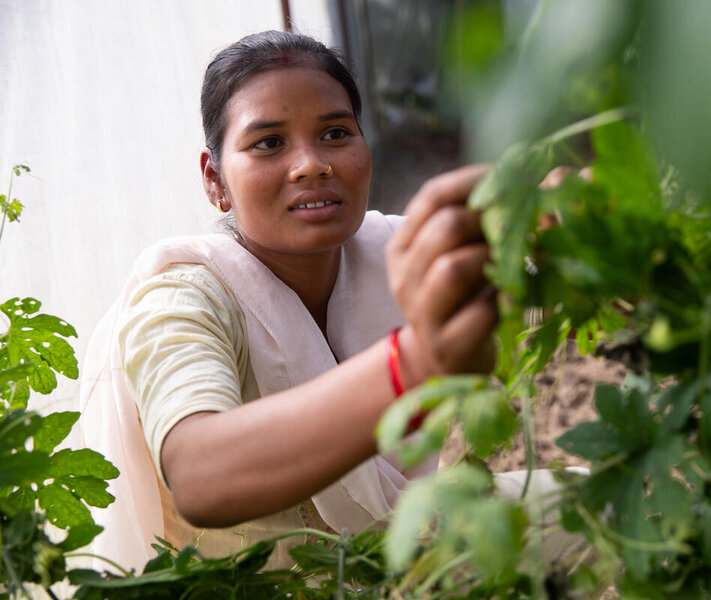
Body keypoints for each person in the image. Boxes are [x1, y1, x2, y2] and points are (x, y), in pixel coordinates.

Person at [79, 30, 497, 572]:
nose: (311, 164)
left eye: (335, 132)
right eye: (269, 143)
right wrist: (410, 365)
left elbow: (530, 280)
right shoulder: (182, 298)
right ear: (215, 180)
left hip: (401, 563)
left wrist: (561, 218)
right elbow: (202, 475)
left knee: (577, 500)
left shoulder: (396, 253)